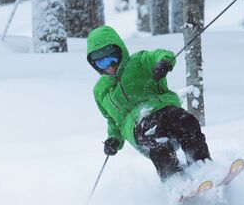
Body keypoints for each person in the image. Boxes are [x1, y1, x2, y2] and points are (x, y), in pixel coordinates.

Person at [87, 25, 211, 181]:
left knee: (186, 121)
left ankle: (202, 166)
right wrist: (114, 139)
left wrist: (163, 63)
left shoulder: (138, 62)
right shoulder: (100, 91)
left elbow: (160, 54)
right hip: (136, 125)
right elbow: (113, 120)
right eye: (102, 63)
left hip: (164, 108)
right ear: (94, 64)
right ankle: (174, 180)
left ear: (120, 52)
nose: (110, 66)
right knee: (153, 132)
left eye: (112, 58)